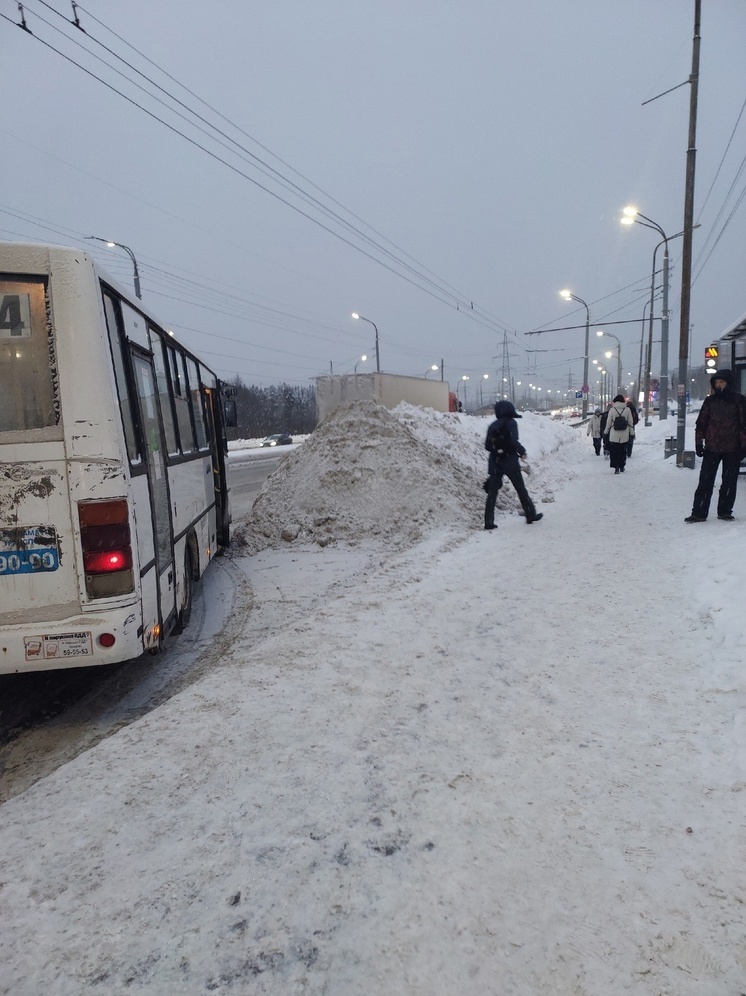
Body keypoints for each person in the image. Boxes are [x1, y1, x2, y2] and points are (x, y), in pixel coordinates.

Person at [685, 368, 746, 522]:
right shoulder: (710, 401)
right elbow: (701, 423)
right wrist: (699, 442)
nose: (719, 385)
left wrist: (743, 447)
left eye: (722, 382)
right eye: (716, 382)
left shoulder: (739, 401)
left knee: (729, 481)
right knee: (705, 481)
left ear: (729, 383)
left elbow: (744, 424)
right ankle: (699, 512)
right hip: (712, 447)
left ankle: (725, 511)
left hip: (733, 448)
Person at [484, 400, 543, 530]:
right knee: (520, 489)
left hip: (495, 462)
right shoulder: (511, 423)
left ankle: (488, 521)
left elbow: (487, 446)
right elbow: (513, 440)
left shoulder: (492, 426)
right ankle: (530, 514)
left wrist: (497, 452)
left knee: (492, 493)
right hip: (510, 461)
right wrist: (521, 451)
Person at [603, 394, 634, 474]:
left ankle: (616, 467)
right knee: (623, 450)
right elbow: (630, 422)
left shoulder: (612, 410)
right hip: (625, 434)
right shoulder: (627, 410)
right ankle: (622, 466)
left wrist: (606, 432)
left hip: (614, 434)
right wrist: (632, 432)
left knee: (614, 451)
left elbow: (608, 423)